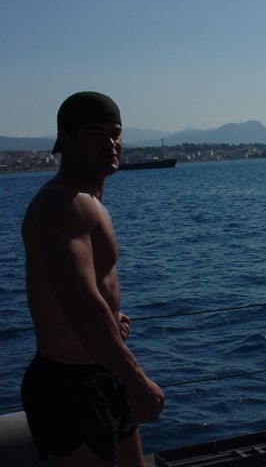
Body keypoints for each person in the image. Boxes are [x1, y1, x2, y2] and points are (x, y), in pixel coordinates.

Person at [21, 91, 165, 466]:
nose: (110, 144)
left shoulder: (87, 202)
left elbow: (81, 292)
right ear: (65, 140)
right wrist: (137, 381)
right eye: (95, 133)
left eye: (115, 133)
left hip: (102, 372)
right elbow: (81, 304)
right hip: (69, 387)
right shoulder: (64, 203)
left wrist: (111, 317)